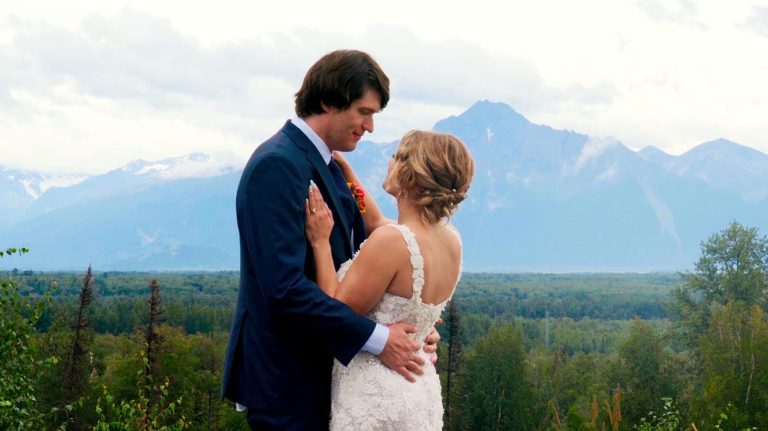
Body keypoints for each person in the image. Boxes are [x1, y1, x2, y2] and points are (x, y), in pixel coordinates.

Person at [221, 50, 439, 430]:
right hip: (288, 380)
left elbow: (363, 260)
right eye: (363, 112)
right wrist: (379, 339)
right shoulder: (277, 165)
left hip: (325, 377)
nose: (370, 126)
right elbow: (285, 288)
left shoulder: (327, 163)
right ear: (327, 102)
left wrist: (414, 325)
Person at [304, 130, 475, 430]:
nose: (389, 161)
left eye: (396, 157)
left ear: (409, 176)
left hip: (377, 397)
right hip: (419, 391)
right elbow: (374, 220)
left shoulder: (391, 242)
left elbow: (334, 310)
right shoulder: (451, 241)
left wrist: (320, 242)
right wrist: (347, 174)